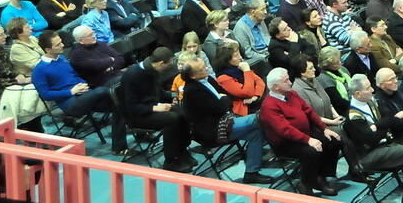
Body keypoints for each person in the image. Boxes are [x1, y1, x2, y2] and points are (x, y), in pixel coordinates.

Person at [179, 56, 274, 184]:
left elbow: (226, 97)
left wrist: (223, 100)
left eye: (205, 66)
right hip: (212, 130)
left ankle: (251, 172)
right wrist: (223, 100)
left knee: (256, 132)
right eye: (202, 69)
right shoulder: (192, 91)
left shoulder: (209, 79)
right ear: (192, 76)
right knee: (260, 119)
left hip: (224, 119)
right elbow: (222, 106)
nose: (206, 68)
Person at [343, 73, 403, 203]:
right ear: (358, 94)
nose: (372, 90)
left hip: (385, 146)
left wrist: (377, 126)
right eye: (368, 88)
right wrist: (384, 127)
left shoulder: (371, 101)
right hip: (369, 156)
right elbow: (371, 139)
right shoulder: (353, 116)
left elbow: (390, 119)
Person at [31, 30, 128, 154]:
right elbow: (45, 95)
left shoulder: (62, 59)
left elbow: (76, 76)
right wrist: (71, 91)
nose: (62, 45)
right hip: (71, 103)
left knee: (119, 104)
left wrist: (83, 84)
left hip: (85, 95)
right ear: (48, 49)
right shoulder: (39, 70)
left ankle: (119, 148)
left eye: (60, 42)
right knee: (105, 91)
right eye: (57, 45)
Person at [259, 66, 342, 197]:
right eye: (286, 81)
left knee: (334, 140)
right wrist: (308, 140)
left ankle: (320, 176)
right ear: (275, 87)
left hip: (304, 134)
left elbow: (309, 111)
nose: (290, 82)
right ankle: (306, 183)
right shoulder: (269, 106)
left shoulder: (291, 93)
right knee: (311, 152)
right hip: (286, 143)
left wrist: (324, 128)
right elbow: (285, 130)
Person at [118, 47, 194, 172]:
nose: (170, 68)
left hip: (152, 107)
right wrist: (154, 108)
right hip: (138, 115)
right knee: (172, 119)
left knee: (183, 112)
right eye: (169, 64)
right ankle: (170, 160)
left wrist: (175, 95)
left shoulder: (152, 71)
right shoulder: (132, 75)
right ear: (160, 63)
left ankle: (182, 150)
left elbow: (159, 93)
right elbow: (131, 107)